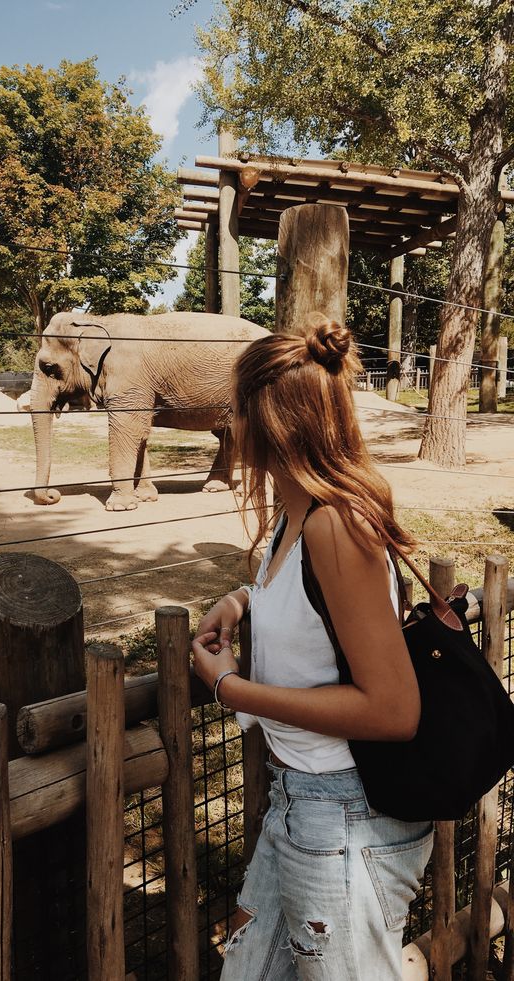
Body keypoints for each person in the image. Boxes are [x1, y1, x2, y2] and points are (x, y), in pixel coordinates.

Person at [191, 313, 433, 981]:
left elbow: (393, 710)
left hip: (346, 815)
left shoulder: (332, 525)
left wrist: (227, 687)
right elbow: (309, 607)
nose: (229, 427)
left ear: (266, 420)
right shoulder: (292, 514)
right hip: (302, 803)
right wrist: (241, 600)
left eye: (235, 412)